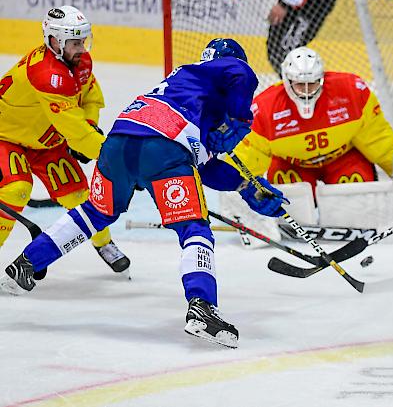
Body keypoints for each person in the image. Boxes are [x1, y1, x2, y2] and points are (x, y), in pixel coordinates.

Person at [0, 38, 287, 349]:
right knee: (194, 227)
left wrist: (245, 185)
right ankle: (202, 307)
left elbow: (202, 169)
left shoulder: (190, 91)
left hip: (119, 142)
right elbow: (241, 75)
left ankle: (25, 265)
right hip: (164, 148)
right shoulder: (227, 69)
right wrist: (239, 118)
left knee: (95, 212)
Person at [0, 5, 130, 277]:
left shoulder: (79, 62)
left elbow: (90, 99)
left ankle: (104, 243)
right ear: (54, 41)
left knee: (80, 195)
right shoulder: (47, 75)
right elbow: (76, 132)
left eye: (83, 40)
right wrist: (117, 160)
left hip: (47, 142)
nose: (81, 48)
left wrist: (91, 125)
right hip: (7, 138)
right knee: (16, 189)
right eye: (74, 42)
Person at [230, 46, 393, 190]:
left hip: (343, 159)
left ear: (321, 79)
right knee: (288, 192)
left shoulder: (352, 91)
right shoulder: (264, 109)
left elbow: (377, 139)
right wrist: (238, 185)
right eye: (299, 84)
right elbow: (249, 158)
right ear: (287, 81)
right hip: (292, 165)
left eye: (312, 83)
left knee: (357, 189)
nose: (306, 91)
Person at [229, 0, 340, 75]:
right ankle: (296, 89)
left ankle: (307, 88)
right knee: (276, 51)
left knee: (285, 51)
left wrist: (284, 4)